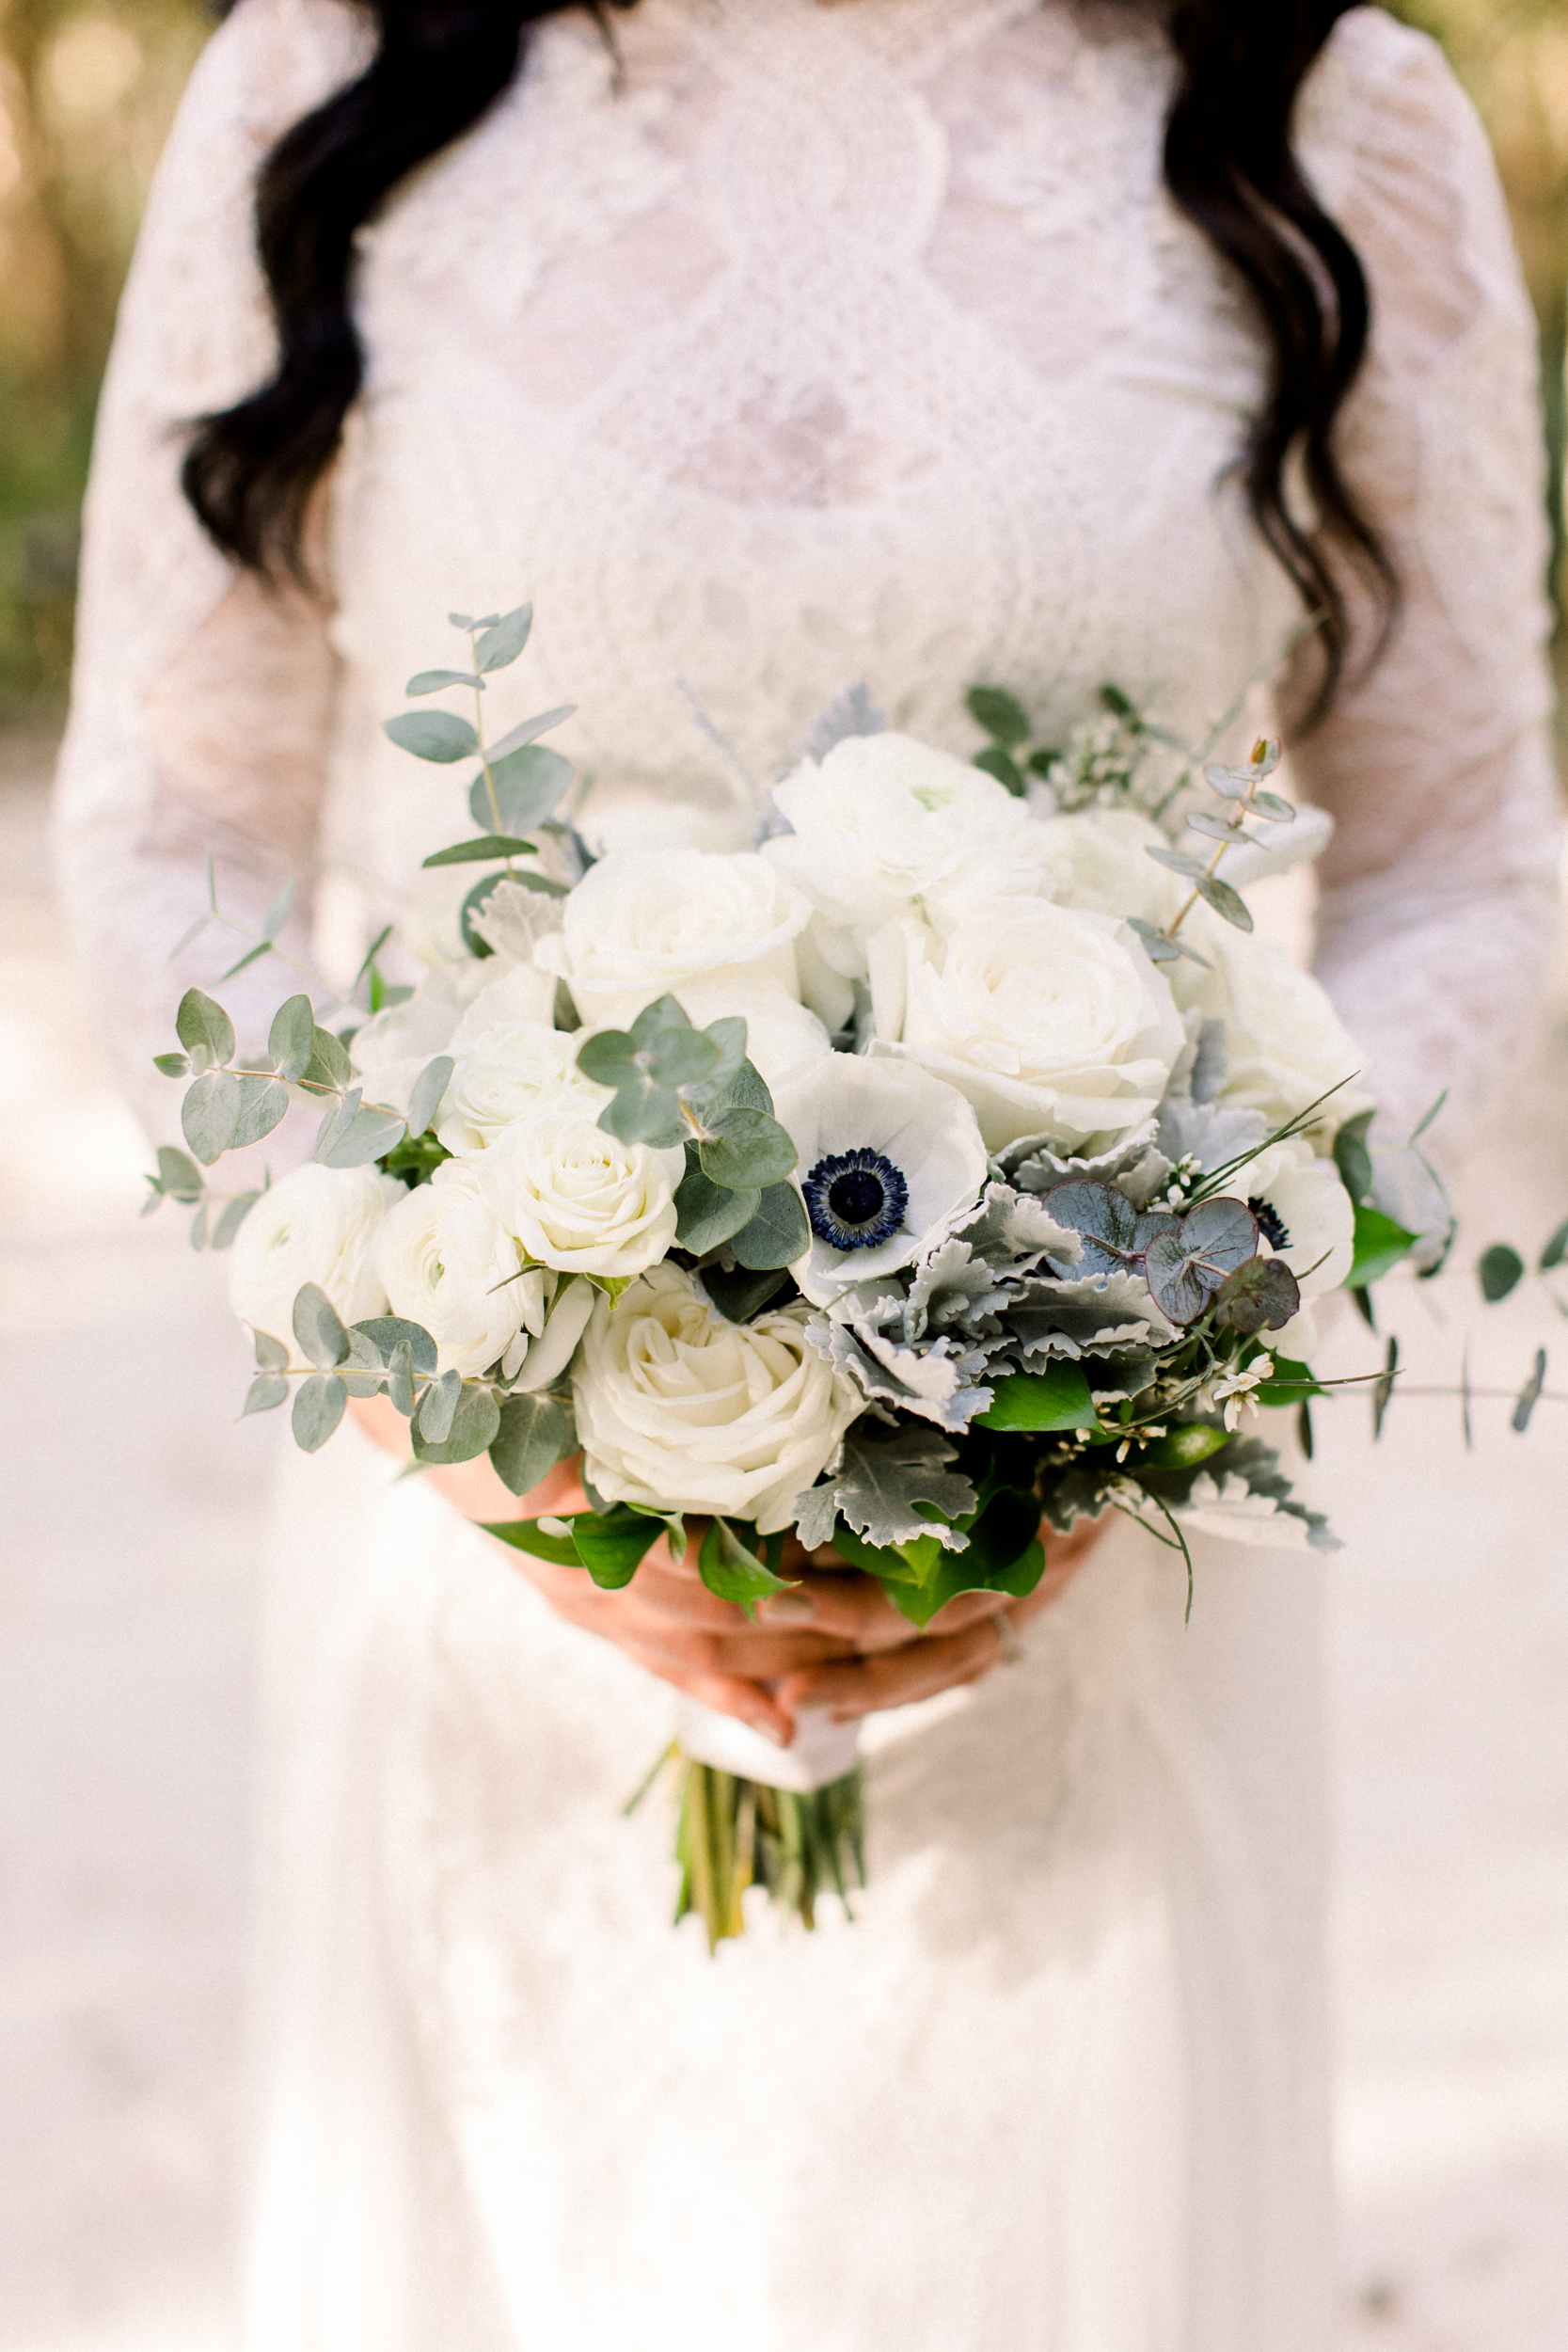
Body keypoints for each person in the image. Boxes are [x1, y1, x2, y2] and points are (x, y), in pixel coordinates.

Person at [55, 1, 1559, 2344]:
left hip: (1095, 1560)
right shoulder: (324, 81)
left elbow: (1465, 860)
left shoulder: (1324, 110)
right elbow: (175, 841)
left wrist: (1176, 1316)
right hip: (480, 1572)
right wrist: (459, 1388)